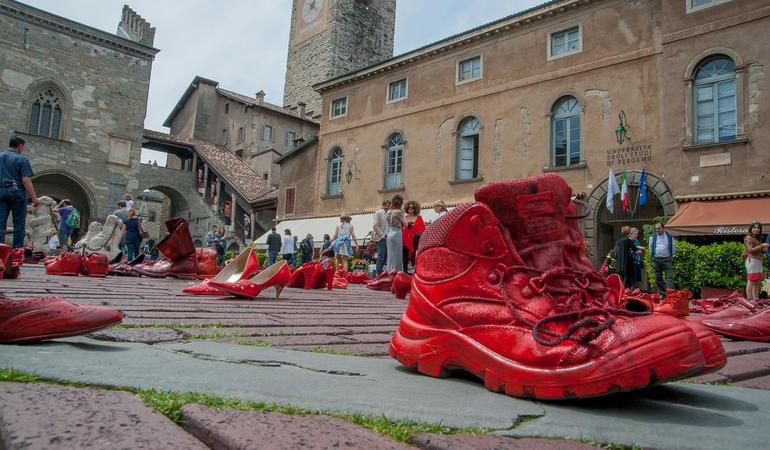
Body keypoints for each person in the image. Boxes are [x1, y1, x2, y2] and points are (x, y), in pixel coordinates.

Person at [0, 136, 39, 249]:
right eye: (22, 147)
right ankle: (17, 250)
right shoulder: (21, 159)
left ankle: (1, 250)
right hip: (16, 192)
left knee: (0, 222)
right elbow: (25, 180)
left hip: (1, 191)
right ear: (20, 146)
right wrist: (34, 198)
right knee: (19, 223)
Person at [648, 222, 676, 298]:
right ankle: (662, 294)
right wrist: (653, 256)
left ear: (663, 228)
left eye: (659, 228)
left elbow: (673, 247)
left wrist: (671, 256)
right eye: (656, 228)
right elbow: (650, 248)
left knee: (669, 277)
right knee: (658, 277)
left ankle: (671, 294)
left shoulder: (669, 237)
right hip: (656, 259)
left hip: (667, 259)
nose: (657, 230)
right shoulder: (652, 237)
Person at [743, 222, 769, 301]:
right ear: (751, 229)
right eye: (754, 227)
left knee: (757, 281)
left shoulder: (757, 239)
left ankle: (756, 298)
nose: (756, 229)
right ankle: (749, 300)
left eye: (758, 228)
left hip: (757, 261)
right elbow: (750, 250)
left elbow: (758, 250)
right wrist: (762, 246)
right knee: (751, 280)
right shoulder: (748, 238)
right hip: (752, 261)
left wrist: (763, 249)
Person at [402, 200, 425, 272]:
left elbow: (422, 229)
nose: (410, 209)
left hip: (415, 241)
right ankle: (405, 272)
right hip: (405, 240)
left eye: (412, 208)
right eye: (408, 208)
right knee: (404, 257)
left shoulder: (419, 217)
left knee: (415, 256)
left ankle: (416, 271)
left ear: (415, 209)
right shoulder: (404, 217)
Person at [386, 195, 406, 272]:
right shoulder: (399, 212)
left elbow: (388, 222)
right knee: (397, 255)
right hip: (397, 233)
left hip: (390, 233)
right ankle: (396, 272)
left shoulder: (389, 212)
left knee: (390, 255)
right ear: (401, 203)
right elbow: (405, 224)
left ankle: (389, 271)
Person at [372, 200, 390, 274]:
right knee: (381, 256)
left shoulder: (390, 213)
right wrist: (382, 236)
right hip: (381, 237)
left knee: (387, 257)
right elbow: (375, 225)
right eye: (385, 205)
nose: (387, 207)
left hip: (389, 237)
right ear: (383, 206)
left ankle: (384, 274)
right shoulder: (378, 213)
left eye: (388, 205)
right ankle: (378, 274)